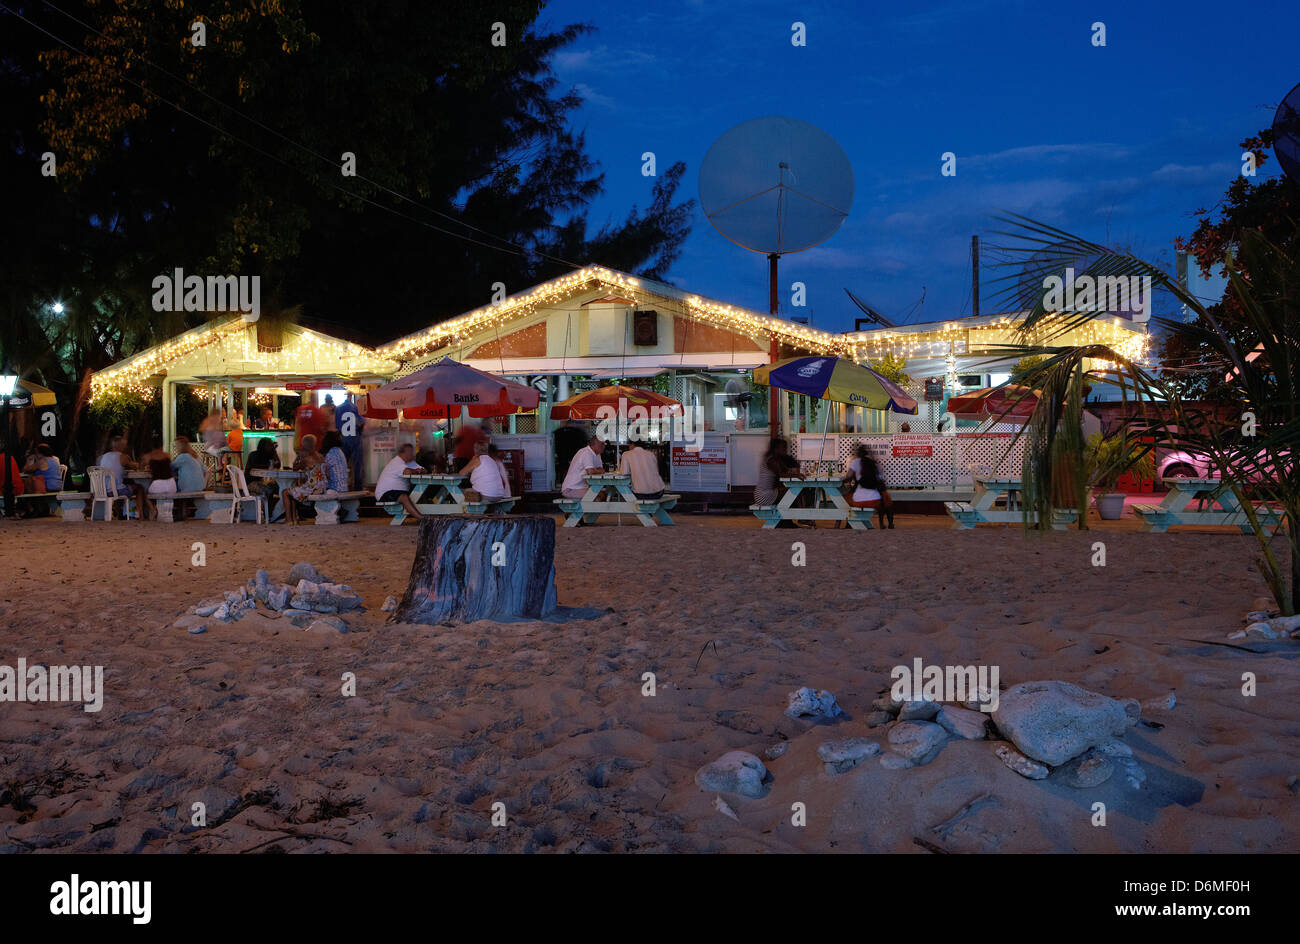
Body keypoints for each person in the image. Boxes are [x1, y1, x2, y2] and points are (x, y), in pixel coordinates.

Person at [844, 444, 895, 529]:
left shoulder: (856, 462)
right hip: (875, 501)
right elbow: (881, 481)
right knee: (887, 500)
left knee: (846, 500)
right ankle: (886, 523)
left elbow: (848, 476)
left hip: (858, 501)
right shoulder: (875, 464)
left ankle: (849, 523)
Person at [755, 438, 802, 528]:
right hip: (764, 495)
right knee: (793, 494)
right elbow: (781, 475)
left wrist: (795, 473)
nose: (785, 450)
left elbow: (786, 470)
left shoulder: (776, 459)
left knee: (791, 493)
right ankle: (787, 522)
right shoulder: (771, 460)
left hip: (766, 493)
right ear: (776, 449)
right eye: (783, 448)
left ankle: (786, 522)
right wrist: (795, 475)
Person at [375, 442, 426, 521]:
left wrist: (419, 470)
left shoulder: (410, 462)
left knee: (420, 493)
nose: (413, 454)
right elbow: (407, 472)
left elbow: (424, 470)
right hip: (385, 493)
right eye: (410, 452)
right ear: (404, 453)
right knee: (403, 497)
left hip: (399, 491)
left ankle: (428, 515)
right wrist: (416, 470)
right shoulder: (396, 462)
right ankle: (422, 518)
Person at [282, 435, 326, 525]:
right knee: (293, 491)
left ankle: (289, 519)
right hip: (322, 487)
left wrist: (298, 456)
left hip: (311, 489)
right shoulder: (321, 456)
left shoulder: (306, 459)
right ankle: (294, 519)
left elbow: (295, 468)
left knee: (285, 492)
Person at [171, 438, 207, 520]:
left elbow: (170, 467)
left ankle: (180, 513)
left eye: (176, 446)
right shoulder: (195, 456)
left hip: (189, 488)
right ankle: (185, 511)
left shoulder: (182, 457)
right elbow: (206, 470)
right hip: (200, 487)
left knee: (173, 490)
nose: (175, 448)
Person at [334, 391, 364, 488]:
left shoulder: (338, 408)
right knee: (357, 464)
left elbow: (337, 426)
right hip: (355, 438)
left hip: (343, 438)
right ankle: (357, 486)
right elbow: (361, 422)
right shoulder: (356, 408)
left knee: (342, 463)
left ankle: (342, 485)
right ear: (351, 397)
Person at [561, 435, 605, 499]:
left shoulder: (597, 454)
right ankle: (587, 509)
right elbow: (590, 471)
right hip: (570, 489)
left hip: (581, 487)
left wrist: (595, 470)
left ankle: (589, 508)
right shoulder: (586, 453)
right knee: (599, 495)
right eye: (602, 444)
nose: (604, 446)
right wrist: (596, 470)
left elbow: (601, 469)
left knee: (602, 494)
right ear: (594, 444)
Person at [553, 420, 587, 485]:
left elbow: (555, 445)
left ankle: (564, 484)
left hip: (563, 455)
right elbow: (584, 445)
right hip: (574, 455)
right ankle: (571, 484)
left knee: (564, 469)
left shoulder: (558, 432)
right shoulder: (580, 433)